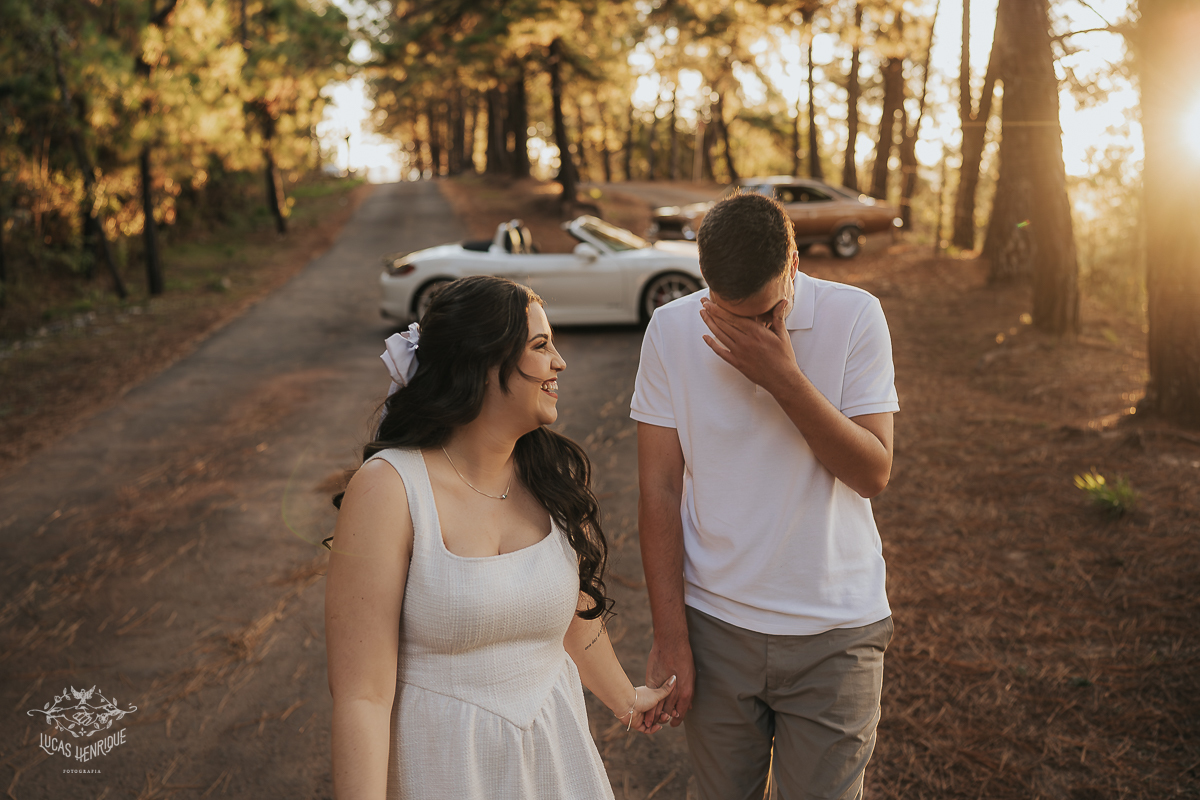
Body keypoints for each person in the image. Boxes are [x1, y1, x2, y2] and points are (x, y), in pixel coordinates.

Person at [325, 276, 674, 800]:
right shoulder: (390, 488)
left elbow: (571, 613)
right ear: (483, 363)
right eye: (541, 346)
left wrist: (626, 699)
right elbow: (362, 697)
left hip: (555, 759)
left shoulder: (550, 478)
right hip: (444, 766)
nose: (559, 363)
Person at [631, 193, 899, 799]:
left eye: (763, 313)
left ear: (794, 264)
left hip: (835, 632)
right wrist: (671, 636)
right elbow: (659, 490)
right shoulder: (670, 329)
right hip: (715, 624)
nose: (748, 332)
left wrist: (783, 378)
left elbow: (872, 473)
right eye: (730, 315)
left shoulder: (855, 316)